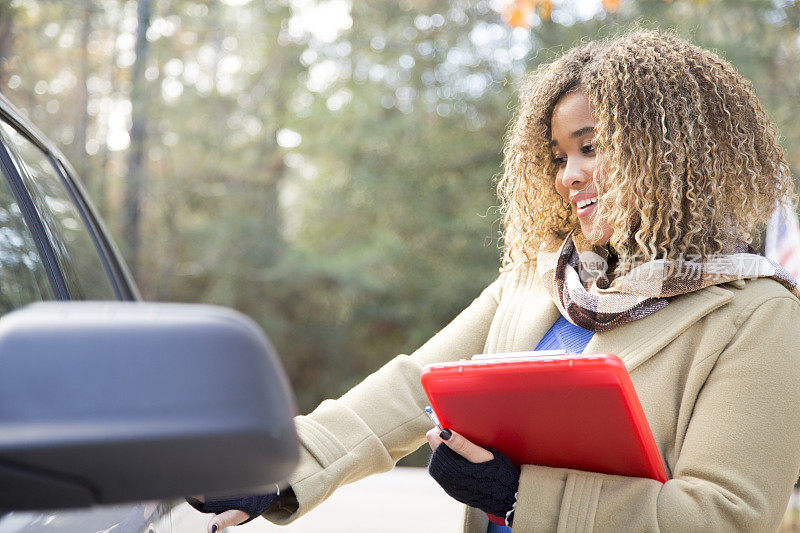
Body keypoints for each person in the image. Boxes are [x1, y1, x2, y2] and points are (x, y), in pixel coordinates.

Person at [190, 29, 800, 532]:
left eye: (590, 148)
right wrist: (282, 466)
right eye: (560, 157)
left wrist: (519, 497)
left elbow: (728, 516)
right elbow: (414, 387)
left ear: (670, 153)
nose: (570, 176)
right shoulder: (542, 282)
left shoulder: (757, 316)